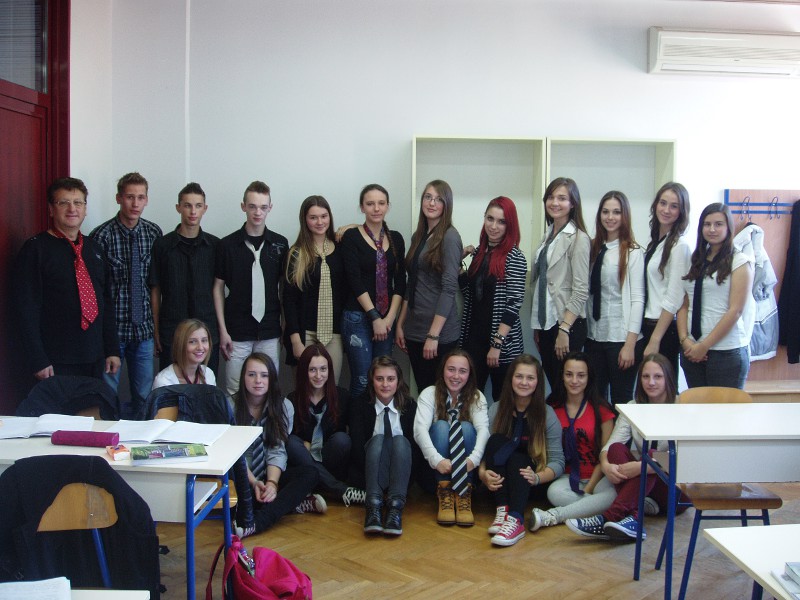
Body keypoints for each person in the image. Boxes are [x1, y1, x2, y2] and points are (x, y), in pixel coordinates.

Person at [566, 353, 687, 541]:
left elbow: (681, 459)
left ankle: (609, 517)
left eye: (658, 376)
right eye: (645, 376)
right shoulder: (633, 406)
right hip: (649, 487)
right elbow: (609, 447)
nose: (651, 382)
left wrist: (641, 466)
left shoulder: (682, 407)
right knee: (616, 449)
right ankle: (634, 520)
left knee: (652, 455)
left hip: (676, 491)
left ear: (668, 379)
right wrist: (606, 466)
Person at [14, 177, 120, 381]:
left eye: (78, 202)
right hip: (55, 360)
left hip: (94, 357)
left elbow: (106, 302)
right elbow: (26, 309)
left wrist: (112, 349)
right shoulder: (35, 249)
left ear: (85, 209)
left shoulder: (95, 249)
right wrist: (38, 359)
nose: (72, 209)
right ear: (51, 209)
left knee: (93, 403)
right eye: (63, 202)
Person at [91, 172, 162, 417]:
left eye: (140, 197)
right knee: (107, 393)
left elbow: (155, 285)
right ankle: (109, 437)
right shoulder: (102, 236)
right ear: (119, 198)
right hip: (114, 332)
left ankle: (141, 436)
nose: (135, 203)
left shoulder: (153, 233)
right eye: (130, 197)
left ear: (146, 200)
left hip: (144, 331)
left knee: (144, 395)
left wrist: (156, 329)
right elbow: (98, 290)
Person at [232, 352, 325, 536]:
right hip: (242, 475)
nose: (258, 381)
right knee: (240, 501)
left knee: (310, 473)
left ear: (272, 379)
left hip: (269, 472)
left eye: (264, 375)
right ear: (243, 377)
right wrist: (254, 482)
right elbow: (235, 455)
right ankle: (291, 504)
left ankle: (257, 523)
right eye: (252, 375)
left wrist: (272, 483)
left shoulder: (284, 406)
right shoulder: (230, 406)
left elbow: (277, 450)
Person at [479, 355, 564, 547]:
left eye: (530, 378)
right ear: (511, 379)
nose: (524, 382)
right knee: (496, 440)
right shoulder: (496, 409)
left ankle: (516, 520)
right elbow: (486, 451)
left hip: (531, 482)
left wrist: (537, 478)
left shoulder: (547, 414)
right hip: (499, 485)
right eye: (519, 376)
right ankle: (502, 510)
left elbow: (558, 462)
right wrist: (482, 474)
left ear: (538, 382)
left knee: (518, 458)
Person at [214, 181, 288, 397]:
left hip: (270, 330)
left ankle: (267, 422)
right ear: (243, 206)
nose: (258, 212)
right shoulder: (227, 245)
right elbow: (218, 288)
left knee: (268, 388)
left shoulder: (280, 244)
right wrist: (223, 330)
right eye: (252, 206)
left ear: (270, 208)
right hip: (237, 330)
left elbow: (284, 289)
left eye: (263, 207)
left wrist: (284, 324)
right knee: (235, 390)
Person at [530, 352, 615, 532]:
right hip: (565, 477)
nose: (574, 380)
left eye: (581, 375)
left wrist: (589, 487)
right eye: (569, 374)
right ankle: (604, 512)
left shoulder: (602, 410)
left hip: (598, 476)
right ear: (562, 376)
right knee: (553, 493)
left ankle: (554, 516)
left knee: (613, 494)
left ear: (589, 378)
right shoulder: (551, 408)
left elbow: (605, 455)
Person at [677, 203, 755, 389]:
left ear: (728, 227)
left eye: (718, 224)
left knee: (723, 408)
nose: (712, 229)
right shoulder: (696, 260)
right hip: (692, 350)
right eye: (707, 224)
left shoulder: (739, 261)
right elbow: (685, 304)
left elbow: (735, 310)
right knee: (698, 406)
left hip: (726, 353)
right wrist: (684, 340)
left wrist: (704, 346)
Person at [341, 184, 406, 400]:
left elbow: (400, 282)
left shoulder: (396, 239)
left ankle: (379, 421)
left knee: (383, 380)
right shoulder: (351, 236)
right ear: (362, 207)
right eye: (370, 204)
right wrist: (374, 317)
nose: (376, 208)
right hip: (358, 317)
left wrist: (389, 318)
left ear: (388, 206)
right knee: (362, 380)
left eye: (381, 203)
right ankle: (359, 423)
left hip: (387, 319)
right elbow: (354, 281)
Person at [396, 180, 462, 392]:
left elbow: (449, 288)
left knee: (440, 396)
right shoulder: (418, 236)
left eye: (438, 199)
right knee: (425, 393)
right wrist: (401, 324)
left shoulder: (450, 237)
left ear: (447, 205)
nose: (432, 203)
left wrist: (433, 335)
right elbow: (412, 283)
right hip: (414, 330)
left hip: (439, 335)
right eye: (428, 197)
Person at [460, 196, 527, 403]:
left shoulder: (515, 257)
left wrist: (497, 344)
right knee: (470, 399)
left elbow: (514, 304)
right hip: (474, 339)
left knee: (504, 401)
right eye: (490, 219)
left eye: (501, 221)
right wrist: (458, 262)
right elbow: (470, 294)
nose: (494, 226)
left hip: (502, 343)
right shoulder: (480, 253)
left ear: (510, 225)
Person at [149, 183, 220, 374]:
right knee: (171, 384)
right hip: (171, 331)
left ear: (205, 208)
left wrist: (222, 331)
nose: (193, 211)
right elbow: (155, 289)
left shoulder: (215, 246)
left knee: (206, 384)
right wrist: (156, 330)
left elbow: (219, 290)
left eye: (198, 206)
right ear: (178, 207)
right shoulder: (162, 245)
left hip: (207, 331)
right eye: (187, 205)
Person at [413, 349, 489, 527]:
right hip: (434, 472)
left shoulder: (477, 396)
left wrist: (473, 459)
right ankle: (445, 491)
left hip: (467, 470)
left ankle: (463, 494)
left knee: (466, 427)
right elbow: (419, 430)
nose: (456, 376)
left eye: (462, 371)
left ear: (469, 374)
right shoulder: (429, 393)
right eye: (451, 369)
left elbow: (484, 430)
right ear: (442, 371)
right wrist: (437, 460)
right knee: (441, 426)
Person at [530, 177, 591, 391]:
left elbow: (581, 290)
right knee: (556, 387)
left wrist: (564, 329)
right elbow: (542, 283)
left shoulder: (578, 238)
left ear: (573, 203)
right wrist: (539, 325)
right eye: (551, 197)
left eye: (562, 198)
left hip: (566, 324)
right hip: (547, 323)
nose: (555, 203)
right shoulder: (548, 234)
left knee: (565, 388)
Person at [585, 191, 645, 405]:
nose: (610, 217)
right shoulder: (592, 248)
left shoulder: (633, 252)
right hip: (594, 336)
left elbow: (638, 299)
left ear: (624, 215)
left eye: (616, 212)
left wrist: (630, 344)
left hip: (621, 337)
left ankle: (621, 433)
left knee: (622, 399)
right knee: (596, 398)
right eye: (605, 212)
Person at [286, 345, 365, 506]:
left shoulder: (343, 396)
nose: (318, 375)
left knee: (342, 439)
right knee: (291, 442)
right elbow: (291, 440)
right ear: (304, 371)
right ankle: (340, 490)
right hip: (305, 463)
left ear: (329, 370)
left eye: (323, 369)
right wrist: (303, 444)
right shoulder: (292, 400)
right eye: (312, 370)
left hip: (332, 461)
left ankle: (321, 485)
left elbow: (355, 434)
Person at [349, 356, 418, 536]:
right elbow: (357, 449)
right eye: (379, 379)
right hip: (369, 471)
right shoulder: (359, 405)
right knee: (378, 438)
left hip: (400, 475)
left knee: (401, 441)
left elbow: (414, 451)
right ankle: (373, 507)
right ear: (372, 381)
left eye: (390, 379)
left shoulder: (410, 406)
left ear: (398, 381)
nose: (385, 384)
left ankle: (395, 509)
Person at [283, 196, 346, 380]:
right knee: (305, 389)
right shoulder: (296, 253)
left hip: (334, 334)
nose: (320, 222)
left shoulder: (341, 249)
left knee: (331, 387)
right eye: (313, 217)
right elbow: (289, 300)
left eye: (324, 216)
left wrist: (349, 227)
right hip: (305, 333)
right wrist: (295, 340)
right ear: (304, 220)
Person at [641, 182, 691, 379]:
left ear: (681, 211)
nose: (666, 210)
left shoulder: (679, 246)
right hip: (648, 324)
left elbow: (674, 297)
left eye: (674, 206)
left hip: (663, 329)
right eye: (663, 203)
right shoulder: (656, 242)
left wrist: (655, 339)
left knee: (663, 388)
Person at [151, 319, 215, 388]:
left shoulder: (208, 374)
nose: (200, 347)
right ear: (180, 345)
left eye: (204, 340)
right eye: (192, 342)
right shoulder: (164, 381)